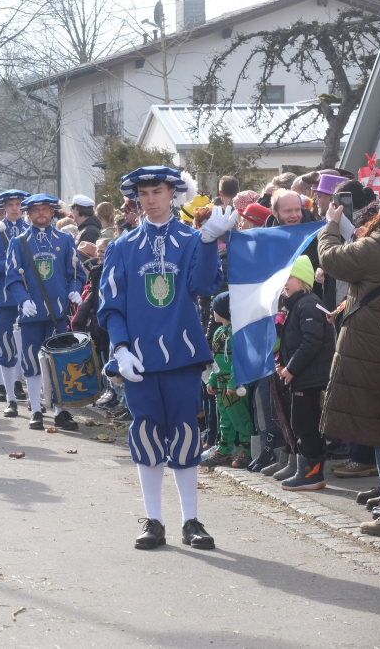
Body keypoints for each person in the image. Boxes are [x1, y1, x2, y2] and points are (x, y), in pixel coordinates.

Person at [99, 165, 235, 550]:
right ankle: (154, 520)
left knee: (186, 434)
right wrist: (120, 348)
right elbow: (111, 306)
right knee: (145, 434)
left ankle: (191, 520)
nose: (150, 200)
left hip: (182, 354)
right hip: (139, 358)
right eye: (143, 194)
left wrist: (208, 242)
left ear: (172, 194)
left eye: (157, 191)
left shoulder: (191, 239)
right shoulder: (123, 246)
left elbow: (205, 285)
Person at [319, 200, 380, 533]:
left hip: (375, 347)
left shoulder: (379, 244)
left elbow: (332, 258)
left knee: (379, 429)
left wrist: (331, 226)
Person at [6, 193, 83, 431]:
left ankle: (60, 411)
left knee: (59, 361)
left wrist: (75, 290)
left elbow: (76, 273)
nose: (41, 213)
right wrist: (23, 300)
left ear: (52, 212)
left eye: (46, 209)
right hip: (31, 314)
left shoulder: (65, 240)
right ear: (28, 214)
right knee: (31, 360)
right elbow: (12, 278)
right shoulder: (19, 242)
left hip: (57, 313)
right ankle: (36, 409)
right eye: (36, 210)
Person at [276, 255, 335, 491]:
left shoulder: (308, 304)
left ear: (302, 280)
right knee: (301, 423)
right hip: (303, 377)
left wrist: (291, 368)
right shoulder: (297, 305)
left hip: (310, 379)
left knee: (305, 425)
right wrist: (284, 365)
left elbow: (311, 341)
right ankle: (307, 469)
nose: (284, 283)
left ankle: (312, 472)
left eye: (289, 277)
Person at [0, 190, 30, 416]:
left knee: (27, 347)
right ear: (4, 207)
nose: (15, 208)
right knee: (6, 346)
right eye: (11, 205)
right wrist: (12, 264)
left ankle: (28, 392)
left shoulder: (29, 230)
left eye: (18, 204)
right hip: (2, 298)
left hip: (28, 298)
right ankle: (10, 396)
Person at [202, 292, 254, 468]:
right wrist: (212, 379)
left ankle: (247, 451)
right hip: (221, 384)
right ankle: (224, 450)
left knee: (240, 417)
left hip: (234, 385)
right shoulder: (218, 332)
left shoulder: (236, 333)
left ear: (224, 311)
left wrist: (234, 382)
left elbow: (238, 360)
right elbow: (217, 361)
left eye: (215, 309)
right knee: (225, 419)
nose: (213, 312)